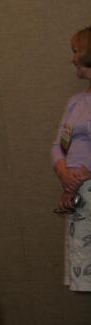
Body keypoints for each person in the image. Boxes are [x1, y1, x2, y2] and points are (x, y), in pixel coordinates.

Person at [52, 25, 91, 291]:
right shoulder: (76, 101)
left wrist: (80, 176)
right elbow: (59, 145)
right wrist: (65, 174)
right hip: (79, 194)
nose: (72, 58)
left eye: (75, 51)